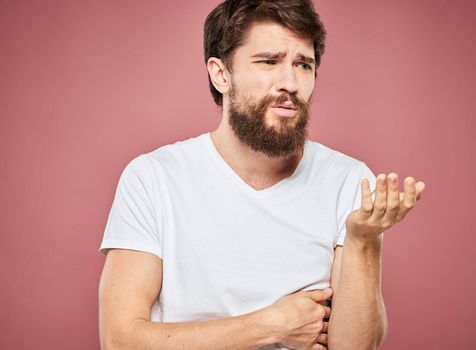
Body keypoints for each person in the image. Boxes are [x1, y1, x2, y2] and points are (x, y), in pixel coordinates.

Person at [98, 0, 426, 349]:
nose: (290, 83)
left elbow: (356, 348)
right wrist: (271, 325)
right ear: (220, 74)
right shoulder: (152, 179)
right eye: (269, 61)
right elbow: (120, 340)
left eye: (303, 65)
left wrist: (363, 241)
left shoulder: (348, 181)